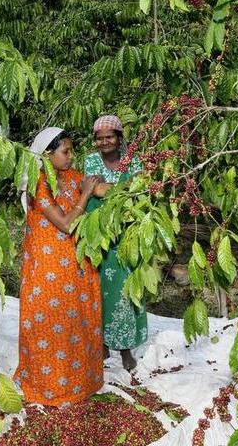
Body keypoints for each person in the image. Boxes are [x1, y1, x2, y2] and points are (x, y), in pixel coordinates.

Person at [13, 127, 107, 406]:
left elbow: (100, 189)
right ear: (47, 154)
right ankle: (49, 387)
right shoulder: (39, 183)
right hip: (48, 267)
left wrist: (136, 188)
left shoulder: (70, 176)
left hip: (74, 265)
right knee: (50, 324)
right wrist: (85, 195)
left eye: (71, 151)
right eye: (65, 151)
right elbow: (65, 223)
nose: (71, 156)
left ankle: (78, 384)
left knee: (74, 321)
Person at [83, 114, 147, 371]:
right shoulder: (90, 161)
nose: (104, 142)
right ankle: (103, 343)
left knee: (127, 290)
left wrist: (112, 188)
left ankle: (126, 347)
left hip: (128, 234)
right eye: (99, 138)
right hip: (101, 235)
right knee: (101, 290)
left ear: (119, 138)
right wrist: (124, 188)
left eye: (109, 137)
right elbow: (97, 191)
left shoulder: (133, 160)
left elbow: (140, 189)